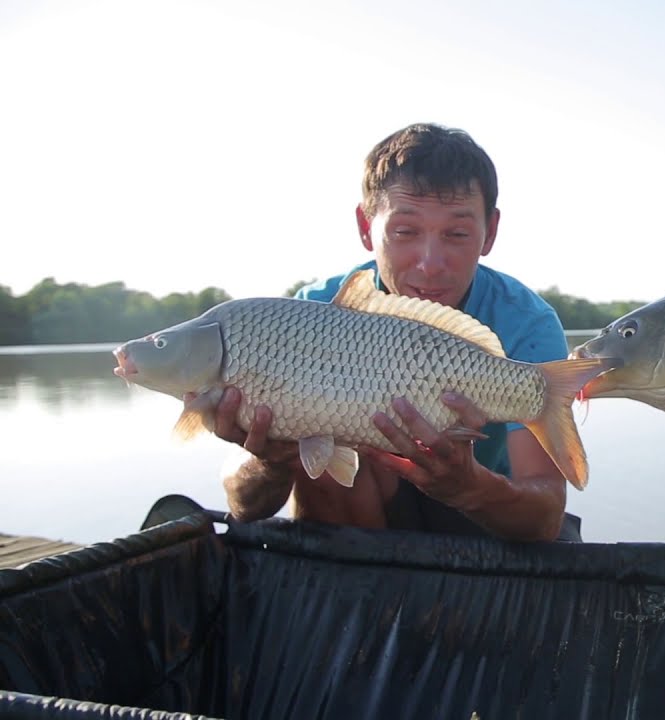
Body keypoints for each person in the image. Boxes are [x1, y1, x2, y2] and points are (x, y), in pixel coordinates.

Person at [215, 122, 579, 542]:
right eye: (405, 232)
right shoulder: (313, 313)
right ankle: (370, 600)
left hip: (480, 519)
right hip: (363, 507)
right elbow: (242, 504)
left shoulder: (525, 322)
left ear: (490, 232)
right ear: (366, 227)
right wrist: (269, 462)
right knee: (323, 463)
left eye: (457, 234)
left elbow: (544, 519)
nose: (430, 263)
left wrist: (469, 485)